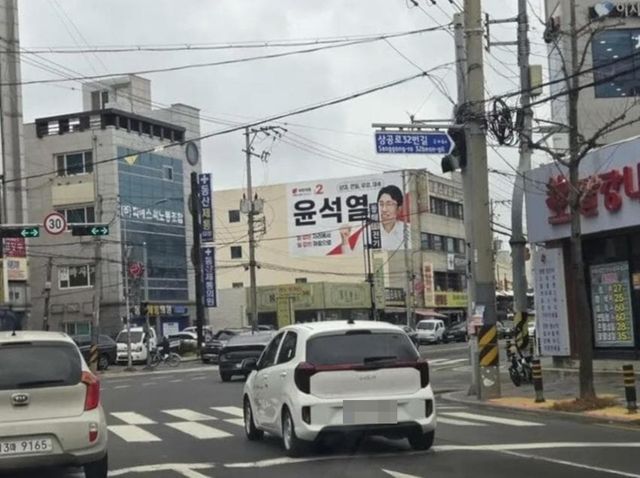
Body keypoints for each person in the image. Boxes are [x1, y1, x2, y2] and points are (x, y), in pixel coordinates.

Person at [377, 185, 405, 251]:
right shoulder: (368, 232)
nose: (384, 209)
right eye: (381, 204)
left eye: (389, 204)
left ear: (399, 208)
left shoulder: (408, 230)